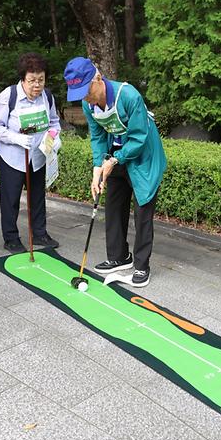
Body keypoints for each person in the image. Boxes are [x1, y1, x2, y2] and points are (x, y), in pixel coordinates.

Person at [64, 57, 166, 288]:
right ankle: (120, 256)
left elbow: (139, 136)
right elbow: (98, 136)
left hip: (144, 155)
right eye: (79, 92)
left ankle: (141, 267)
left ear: (98, 78)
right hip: (116, 152)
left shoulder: (129, 96)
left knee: (142, 211)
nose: (85, 97)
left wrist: (115, 160)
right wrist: (97, 167)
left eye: (86, 90)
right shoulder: (87, 104)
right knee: (113, 202)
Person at [0, 52, 61, 253]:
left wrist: (54, 136)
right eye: (32, 81)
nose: (37, 85)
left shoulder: (46, 97)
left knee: (37, 196)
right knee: (10, 198)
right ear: (23, 79)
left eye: (41, 80)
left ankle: (39, 233)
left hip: (38, 155)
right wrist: (15, 137)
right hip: (12, 157)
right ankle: (11, 237)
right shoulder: (8, 96)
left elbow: (54, 122)